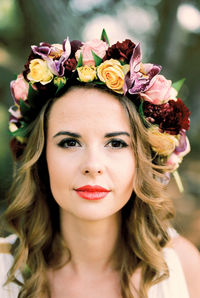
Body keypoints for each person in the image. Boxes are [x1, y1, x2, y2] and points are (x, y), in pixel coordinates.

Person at [0, 29, 199, 298]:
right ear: (41, 156)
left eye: (116, 143)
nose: (93, 165)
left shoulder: (184, 268)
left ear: (143, 158)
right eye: (70, 142)